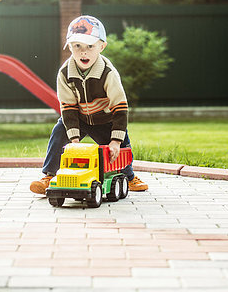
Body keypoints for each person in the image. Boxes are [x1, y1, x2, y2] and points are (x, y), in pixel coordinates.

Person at [30, 15, 148, 194]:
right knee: (58, 133)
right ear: (69, 47)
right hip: (79, 118)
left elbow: (120, 108)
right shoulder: (64, 73)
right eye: (77, 46)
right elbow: (68, 108)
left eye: (90, 46)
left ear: (102, 46)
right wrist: (74, 140)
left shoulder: (108, 73)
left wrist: (115, 140)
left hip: (106, 119)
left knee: (120, 148)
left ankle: (129, 176)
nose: (83, 52)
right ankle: (49, 175)